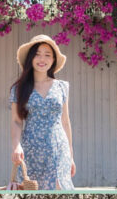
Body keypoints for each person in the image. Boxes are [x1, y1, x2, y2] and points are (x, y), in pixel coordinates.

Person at [9, 34, 75, 190]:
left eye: (47, 55)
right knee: (33, 196)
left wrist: (71, 156)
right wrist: (16, 146)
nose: (42, 59)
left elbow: (65, 121)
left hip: (59, 149)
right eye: (37, 54)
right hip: (32, 151)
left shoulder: (62, 87)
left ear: (53, 60)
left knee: (61, 191)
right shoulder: (18, 89)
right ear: (30, 58)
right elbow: (16, 121)